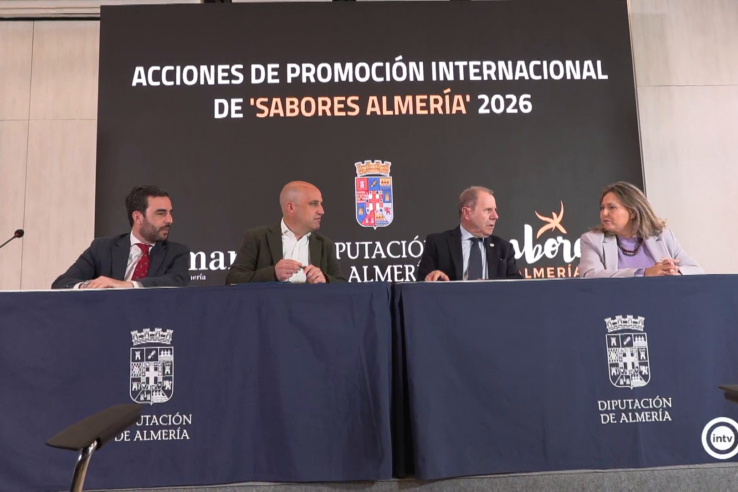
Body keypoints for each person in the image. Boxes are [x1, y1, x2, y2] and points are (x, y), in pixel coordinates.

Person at [51, 185, 190, 289]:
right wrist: (90, 286)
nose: (169, 220)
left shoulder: (177, 252)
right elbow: (62, 283)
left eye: (170, 213)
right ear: (138, 217)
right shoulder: (102, 248)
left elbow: (176, 281)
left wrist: (126, 285)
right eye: (161, 213)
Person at [226, 181, 346, 284]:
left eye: (320, 204)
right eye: (314, 204)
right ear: (291, 208)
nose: (321, 211)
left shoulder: (325, 245)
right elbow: (233, 280)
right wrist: (273, 274)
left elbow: (343, 286)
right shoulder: (257, 238)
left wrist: (325, 279)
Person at [579, 181, 703, 278]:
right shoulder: (593, 240)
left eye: (611, 207)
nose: (604, 213)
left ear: (633, 212)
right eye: (602, 208)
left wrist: (673, 271)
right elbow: (590, 275)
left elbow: (696, 270)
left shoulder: (663, 237)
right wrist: (644, 273)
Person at [418, 186, 522, 281]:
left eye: (495, 210)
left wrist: (488, 286)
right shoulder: (438, 243)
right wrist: (434, 278)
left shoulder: (504, 248)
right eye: (488, 210)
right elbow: (421, 285)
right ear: (467, 213)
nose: (495, 216)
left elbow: (517, 284)